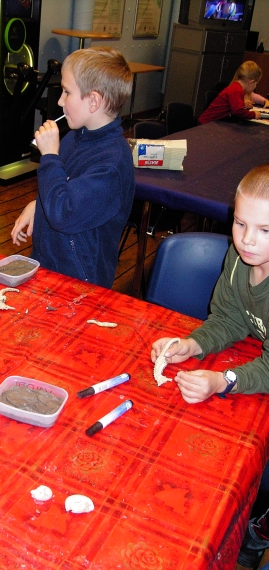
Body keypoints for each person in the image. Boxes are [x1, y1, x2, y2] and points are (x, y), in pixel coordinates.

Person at [150, 163, 269, 566]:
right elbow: (229, 319)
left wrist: (224, 381)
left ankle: (258, 530)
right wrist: (192, 344)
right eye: (240, 223)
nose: (247, 240)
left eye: (265, 230)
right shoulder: (239, 259)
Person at [11, 47, 135, 289]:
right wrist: (37, 205)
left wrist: (50, 156)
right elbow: (65, 187)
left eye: (67, 92)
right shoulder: (75, 137)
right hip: (50, 267)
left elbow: (64, 213)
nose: (60, 101)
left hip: (81, 283)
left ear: (94, 101)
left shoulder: (110, 165)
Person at [198, 61, 263, 125]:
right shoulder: (237, 90)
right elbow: (238, 111)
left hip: (210, 122)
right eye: (256, 84)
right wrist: (253, 114)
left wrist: (242, 104)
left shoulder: (235, 86)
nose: (255, 86)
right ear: (251, 82)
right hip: (206, 124)